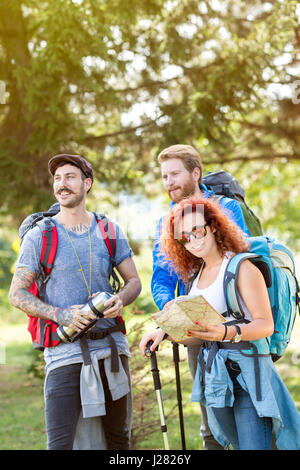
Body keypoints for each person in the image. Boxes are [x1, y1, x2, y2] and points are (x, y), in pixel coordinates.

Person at [140, 197, 300, 450]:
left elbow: (265, 325)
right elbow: (198, 334)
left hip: (249, 376)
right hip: (216, 377)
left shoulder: (242, 267)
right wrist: (165, 332)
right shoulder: (196, 276)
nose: (193, 240)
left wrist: (225, 331)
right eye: (184, 237)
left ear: (213, 226)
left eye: (197, 230)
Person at [9, 153, 141, 450]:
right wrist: (60, 314)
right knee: (60, 444)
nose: (62, 184)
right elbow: (16, 294)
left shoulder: (109, 229)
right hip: (64, 355)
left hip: (112, 351)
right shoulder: (39, 236)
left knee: (118, 442)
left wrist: (120, 300)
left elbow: (134, 281)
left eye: (69, 177)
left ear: (87, 183)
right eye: (57, 178)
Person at [150, 144, 251, 450]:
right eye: (164, 176)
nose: (169, 181)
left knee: (251, 416)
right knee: (211, 426)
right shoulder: (165, 223)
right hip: (196, 330)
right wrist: (171, 310)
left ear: (195, 173)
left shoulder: (226, 209)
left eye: (175, 173)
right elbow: (161, 275)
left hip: (240, 330)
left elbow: (241, 260)